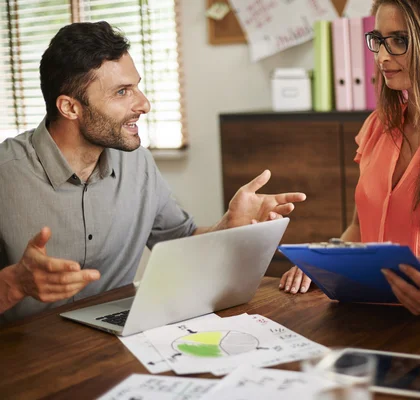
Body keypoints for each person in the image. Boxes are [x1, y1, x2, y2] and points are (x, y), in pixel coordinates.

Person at [0, 21, 306, 324]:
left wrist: (228, 225)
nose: (144, 104)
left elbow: (179, 242)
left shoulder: (137, 163)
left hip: (113, 347)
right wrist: (14, 284)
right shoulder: (6, 175)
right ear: (70, 108)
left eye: (136, 86)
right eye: (122, 92)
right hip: (23, 357)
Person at [280, 0, 420, 315]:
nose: (383, 56)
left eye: (400, 41)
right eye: (379, 41)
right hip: (371, 320)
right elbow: (360, 229)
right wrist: (321, 262)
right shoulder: (377, 127)